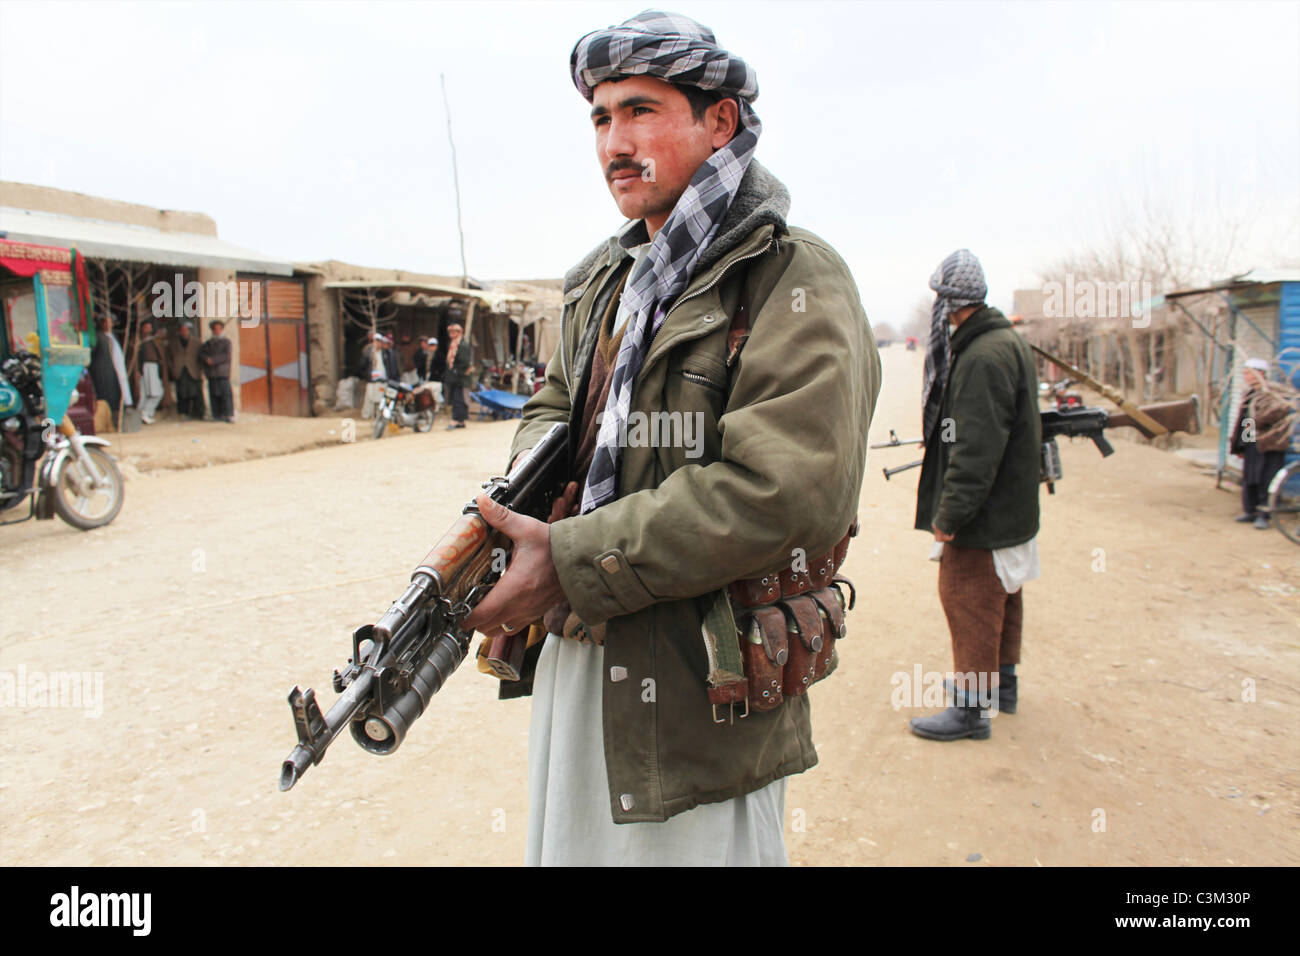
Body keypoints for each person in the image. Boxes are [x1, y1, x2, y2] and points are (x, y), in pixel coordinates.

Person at [460, 10, 880, 866]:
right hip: (583, 657)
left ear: (719, 121)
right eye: (601, 117)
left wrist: (573, 558)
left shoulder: (791, 276)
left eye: (642, 110)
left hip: (701, 691)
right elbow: (550, 406)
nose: (616, 141)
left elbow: (785, 491)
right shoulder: (601, 280)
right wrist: (526, 515)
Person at [911, 250, 1041, 741]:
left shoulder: (983, 355)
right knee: (1004, 597)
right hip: (1010, 509)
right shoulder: (1005, 341)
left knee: (967, 598)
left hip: (985, 515)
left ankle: (970, 710)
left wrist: (950, 517)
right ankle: (1001, 686)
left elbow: (975, 449)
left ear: (951, 303)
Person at [1231, 357, 1293, 529]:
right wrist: (1243, 444)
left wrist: (1256, 418)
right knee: (1251, 478)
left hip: (1270, 444)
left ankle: (1264, 515)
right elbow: (1245, 421)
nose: (1246, 377)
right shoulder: (1250, 393)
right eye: (1245, 373)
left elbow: (1278, 413)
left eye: (1249, 373)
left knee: (1267, 479)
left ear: (1261, 374)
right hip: (1254, 444)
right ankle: (1250, 511)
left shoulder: (1275, 392)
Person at [88, 315, 132, 429]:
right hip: (103, 373)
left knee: (116, 395)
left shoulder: (113, 336)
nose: (108, 325)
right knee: (105, 398)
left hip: (115, 372)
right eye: (105, 322)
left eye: (110, 322)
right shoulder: (98, 337)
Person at [168, 321, 205, 420]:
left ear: (189, 331)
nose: (184, 331)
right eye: (182, 330)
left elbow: (201, 357)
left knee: (196, 392)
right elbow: (170, 358)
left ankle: (198, 413)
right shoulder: (174, 342)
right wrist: (172, 369)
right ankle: (184, 413)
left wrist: (200, 369)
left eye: (185, 330)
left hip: (193, 370)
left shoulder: (196, 342)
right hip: (180, 370)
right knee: (182, 393)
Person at [199, 319, 234, 422]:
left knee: (225, 394)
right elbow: (202, 354)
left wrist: (213, 360)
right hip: (212, 373)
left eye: (219, 329)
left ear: (222, 330)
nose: (217, 331)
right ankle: (217, 415)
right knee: (214, 394)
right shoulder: (208, 343)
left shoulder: (226, 342)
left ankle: (228, 414)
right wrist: (206, 359)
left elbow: (226, 356)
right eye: (215, 329)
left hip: (223, 373)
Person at [441, 322, 471, 430]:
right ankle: (461, 421)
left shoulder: (462, 345)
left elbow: (464, 362)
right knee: (456, 398)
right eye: (450, 332)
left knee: (459, 399)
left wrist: (456, 371)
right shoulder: (454, 344)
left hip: (460, 377)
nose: (451, 334)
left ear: (459, 333)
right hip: (454, 377)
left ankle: (455, 420)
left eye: (453, 332)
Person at [135, 318, 164, 425]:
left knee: (157, 392)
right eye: (146, 327)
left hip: (153, 367)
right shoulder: (140, 342)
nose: (148, 329)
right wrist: (138, 370)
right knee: (152, 393)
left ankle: (145, 413)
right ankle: (144, 413)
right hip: (147, 367)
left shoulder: (153, 341)